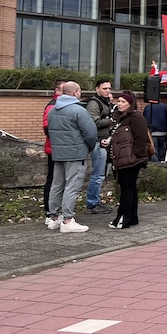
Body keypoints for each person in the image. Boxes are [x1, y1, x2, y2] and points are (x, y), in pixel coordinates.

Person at [46, 82, 98, 233]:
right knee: (72, 186)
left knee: (57, 185)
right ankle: (67, 220)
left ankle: (54, 218)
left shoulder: (53, 110)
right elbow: (91, 133)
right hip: (75, 153)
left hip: (58, 153)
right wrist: (89, 147)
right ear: (75, 92)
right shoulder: (78, 110)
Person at [108, 92, 152, 229]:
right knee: (129, 188)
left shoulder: (136, 117)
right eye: (118, 101)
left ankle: (123, 217)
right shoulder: (120, 118)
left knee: (127, 189)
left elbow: (141, 139)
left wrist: (136, 155)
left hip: (131, 160)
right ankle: (132, 217)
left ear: (130, 103)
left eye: (123, 102)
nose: (119, 104)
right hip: (121, 159)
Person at [83, 79, 115, 215]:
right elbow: (94, 122)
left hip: (103, 141)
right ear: (97, 89)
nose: (107, 91)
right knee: (98, 174)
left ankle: (94, 201)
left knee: (101, 173)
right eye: (104, 88)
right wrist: (111, 120)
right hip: (98, 142)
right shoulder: (94, 103)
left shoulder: (104, 102)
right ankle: (92, 203)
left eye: (109, 88)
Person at [41, 79, 66, 225]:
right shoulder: (52, 107)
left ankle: (56, 211)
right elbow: (48, 129)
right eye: (64, 89)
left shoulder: (61, 105)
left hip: (59, 148)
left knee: (59, 181)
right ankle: (50, 212)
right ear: (57, 91)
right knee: (53, 181)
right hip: (55, 149)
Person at [142, 98, 167, 162]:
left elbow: (144, 120)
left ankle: (156, 165)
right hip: (163, 132)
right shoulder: (165, 107)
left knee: (153, 150)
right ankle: (161, 162)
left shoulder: (148, 107)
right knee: (162, 149)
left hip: (152, 133)